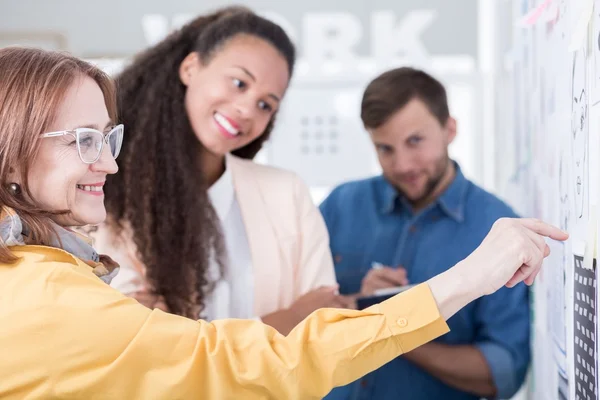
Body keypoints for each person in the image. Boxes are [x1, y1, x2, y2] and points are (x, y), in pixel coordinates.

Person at [0, 46, 566, 399]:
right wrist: (463, 280)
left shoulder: (43, 272)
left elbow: (503, 369)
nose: (109, 161)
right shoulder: (46, 295)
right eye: (83, 140)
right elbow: (256, 363)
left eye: (108, 137)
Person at [92, 6, 348, 334]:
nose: (245, 109)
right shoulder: (113, 195)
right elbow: (141, 344)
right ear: (190, 67)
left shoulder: (287, 193)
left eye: (265, 104)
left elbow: (322, 326)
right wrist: (288, 319)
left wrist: (189, 333)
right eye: (239, 83)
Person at [320, 67, 530, 400]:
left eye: (415, 141)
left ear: (450, 129)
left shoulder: (498, 228)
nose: (402, 165)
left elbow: (502, 373)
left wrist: (393, 326)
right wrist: (355, 306)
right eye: (385, 149)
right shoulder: (340, 205)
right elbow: (292, 321)